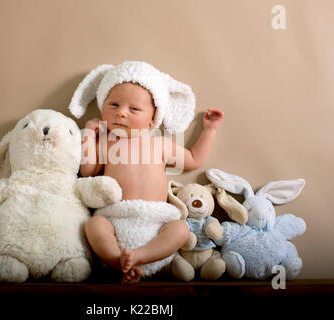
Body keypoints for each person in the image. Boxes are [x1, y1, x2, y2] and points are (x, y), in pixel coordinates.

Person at [68, 61, 224, 284]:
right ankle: (117, 260)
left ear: (152, 119)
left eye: (134, 109)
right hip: (115, 217)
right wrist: (89, 136)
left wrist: (210, 130)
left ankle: (139, 257)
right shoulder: (106, 142)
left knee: (180, 228)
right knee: (94, 225)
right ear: (102, 108)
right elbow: (87, 170)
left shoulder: (160, 144)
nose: (121, 113)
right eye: (113, 105)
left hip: (157, 222)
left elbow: (193, 159)